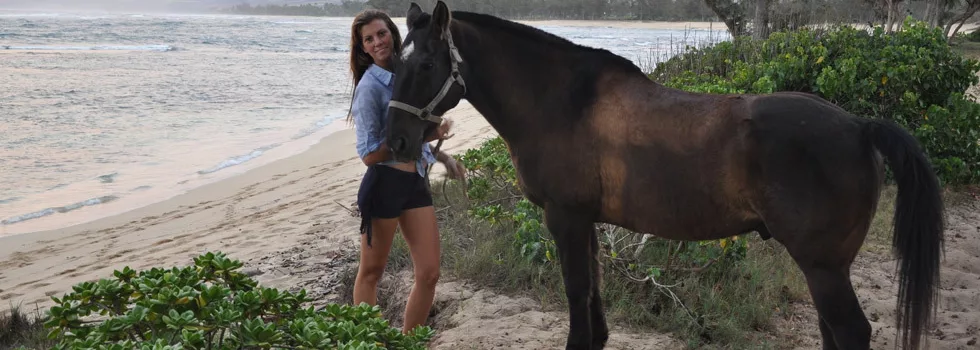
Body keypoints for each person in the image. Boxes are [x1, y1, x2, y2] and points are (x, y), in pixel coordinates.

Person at [346, 9, 464, 334]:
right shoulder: (370, 88)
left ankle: (409, 341)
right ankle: (368, 341)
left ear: (393, 34)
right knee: (371, 272)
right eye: (368, 39)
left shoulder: (408, 71)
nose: (377, 42)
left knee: (429, 273)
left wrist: (444, 157)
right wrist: (431, 133)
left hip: (414, 181)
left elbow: (414, 135)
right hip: (384, 183)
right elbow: (369, 154)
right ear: (363, 48)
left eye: (381, 34)